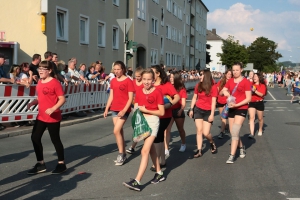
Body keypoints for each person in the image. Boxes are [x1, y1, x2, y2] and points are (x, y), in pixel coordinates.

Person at [123, 68, 165, 191]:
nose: (146, 82)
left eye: (149, 79)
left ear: (153, 80)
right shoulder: (139, 91)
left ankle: (137, 181)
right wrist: (136, 113)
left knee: (144, 151)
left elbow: (161, 112)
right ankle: (159, 173)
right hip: (143, 122)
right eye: (144, 79)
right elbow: (137, 105)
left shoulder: (157, 92)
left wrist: (145, 110)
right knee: (151, 150)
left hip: (153, 122)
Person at [26, 60, 67, 174]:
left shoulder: (55, 82)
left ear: (49, 71)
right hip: (41, 116)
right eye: (39, 69)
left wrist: (53, 108)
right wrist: (32, 103)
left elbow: (62, 99)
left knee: (55, 140)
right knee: (35, 137)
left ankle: (61, 163)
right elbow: (40, 97)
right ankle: (40, 163)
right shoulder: (39, 81)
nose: (40, 71)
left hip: (53, 117)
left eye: (43, 69)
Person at [149, 65, 179, 171]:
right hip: (153, 116)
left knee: (157, 138)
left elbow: (177, 97)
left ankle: (157, 162)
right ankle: (162, 161)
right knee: (160, 139)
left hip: (164, 116)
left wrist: (169, 104)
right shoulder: (151, 85)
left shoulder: (166, 85)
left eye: (152, 72)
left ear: (158, 73)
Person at [103, 61, 134, 166]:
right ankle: (123, 153)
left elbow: (130, 98)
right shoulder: (113, 81)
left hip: (123, 109)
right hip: (114, 108)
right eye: (115, 69)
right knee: (119, 132)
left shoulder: (128, 81)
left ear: (123, 69)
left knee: (115, 131)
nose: (116, 71)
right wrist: (107, 108)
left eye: (118, 69)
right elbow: (111, 95)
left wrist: (125, 110)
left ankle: (121, 153)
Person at [221, 62, 252, 164]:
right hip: (231, 108)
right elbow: (222, 91)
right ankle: (241, 146)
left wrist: (237, 105)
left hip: (241, 108)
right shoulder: (230, 81)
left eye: (237, 70)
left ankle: (232, 155)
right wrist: (226, 92)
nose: (235, 72)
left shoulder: (246, 82)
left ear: (241, 70)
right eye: (233, 70)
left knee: (235, 130)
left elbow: (248, 98)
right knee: (233, 132)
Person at [189, 70, 217, 157]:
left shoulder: (213, 87)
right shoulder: (198, 85)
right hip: (198, 110)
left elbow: (213, 102)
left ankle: (211, 142)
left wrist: (212, 114)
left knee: (206, 132)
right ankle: (199, 150)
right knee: (199, 130)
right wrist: (191, 109)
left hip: (208, 111)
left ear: (206, 77)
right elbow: (194, 97)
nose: (200, 76)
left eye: (201, 75)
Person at [165, 71, 187, 153]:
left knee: (180, 129)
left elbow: (184, 102)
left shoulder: (181, 89)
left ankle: (183, 143)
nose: (171, 79)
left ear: (177, 78)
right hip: (169, 110)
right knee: (167, 130)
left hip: (178, 110)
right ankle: (166, 148)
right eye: (170, 77)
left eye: (172, 77)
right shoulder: (168, 87)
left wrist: (181, 110)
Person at [126, 67, 145, 154]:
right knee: (139, 125)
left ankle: (133, 147)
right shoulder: (133, 82)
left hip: (142, 106)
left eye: (139, 76)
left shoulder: (144, 83)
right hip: (134, 105)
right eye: (136, 76)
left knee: (139, 126)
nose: (137, 78)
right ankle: (147, 144)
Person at [248, 73, 267, 138]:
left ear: (259, 77)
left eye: (256, 76)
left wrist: (255, 91)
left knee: (260, 118)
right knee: (251, 117)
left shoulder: (262, 85)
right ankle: (252, 133)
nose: (254, 77)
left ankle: (260, 129)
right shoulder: (251, 84)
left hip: (259, 103)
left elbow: (262, 94)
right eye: (254, 76)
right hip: (252, 102)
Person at [0, 53, 15, 131]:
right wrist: (10, 80)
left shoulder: (1, 67)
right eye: (3, 59)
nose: (5, 60)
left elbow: (4, 77)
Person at [216, 70, 232, 139]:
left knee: (225, 117)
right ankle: (226, 127)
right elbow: (217, 90)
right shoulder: (221, 82)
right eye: (228, 74)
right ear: (225, 74)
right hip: (220, 100)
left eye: (230, 74)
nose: (229, 75)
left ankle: (221, 132)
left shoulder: (232, 82)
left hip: (227, 102)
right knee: (222, 117)